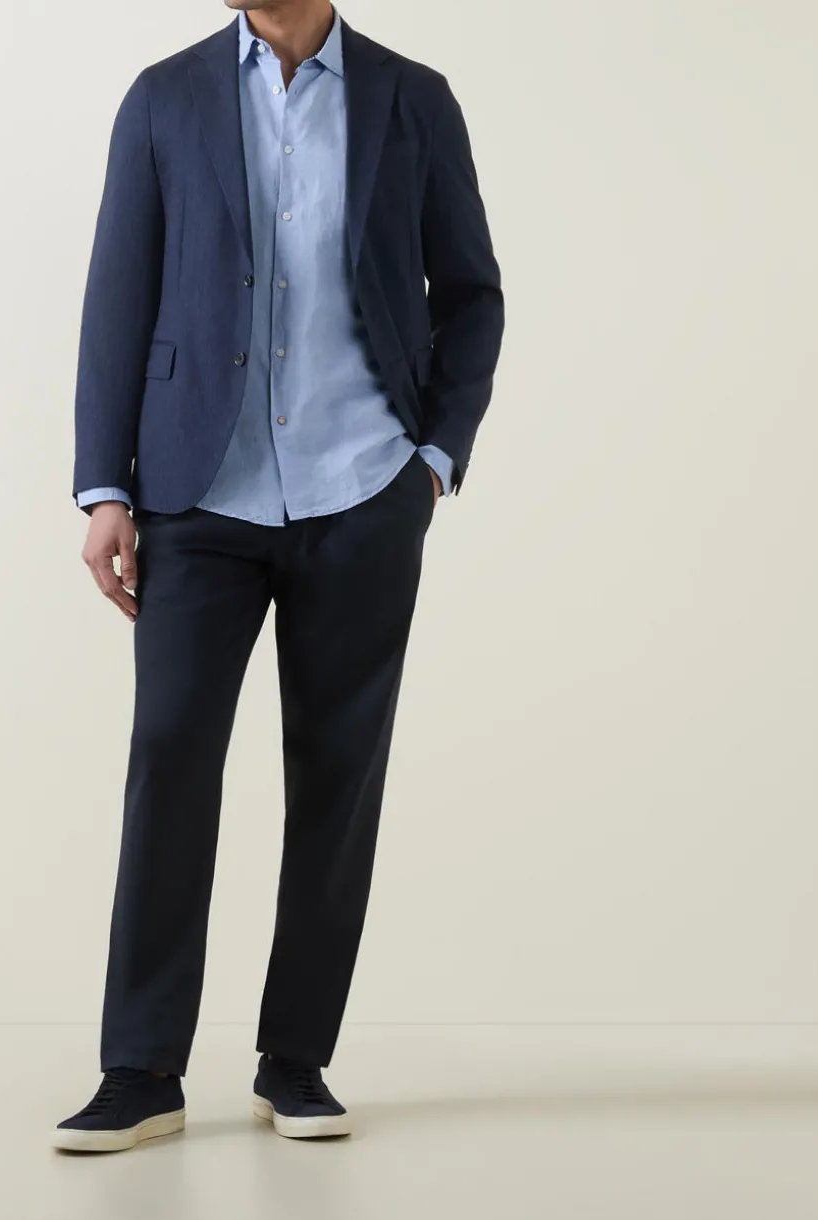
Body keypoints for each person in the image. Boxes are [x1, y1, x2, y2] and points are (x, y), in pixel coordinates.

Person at [54, 0, 503, 1153]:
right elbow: (118, 293)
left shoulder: (411, 99)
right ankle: (140, 1068)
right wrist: (105, 486)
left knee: (338, 776)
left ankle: (295, 1060)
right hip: (196, 493)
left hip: (361, 487)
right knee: (170, 758)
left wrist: (431, 459)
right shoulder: (164, 97)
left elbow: (471, 291)